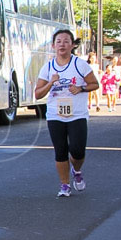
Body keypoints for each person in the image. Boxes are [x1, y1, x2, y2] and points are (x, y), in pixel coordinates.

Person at [34, 29, 99, 197]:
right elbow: (38, 93)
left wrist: (81, 88)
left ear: (72, 45)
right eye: (59, 41)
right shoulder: (48, 67)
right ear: (53, 46)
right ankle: (64, 185)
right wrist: (50, 83)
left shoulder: (80, 64)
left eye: (66, 41)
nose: (62, 44)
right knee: (60, 150)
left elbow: (95, 84)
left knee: (78, 151)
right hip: (55, 115)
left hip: (77, 114)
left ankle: (76, 170)